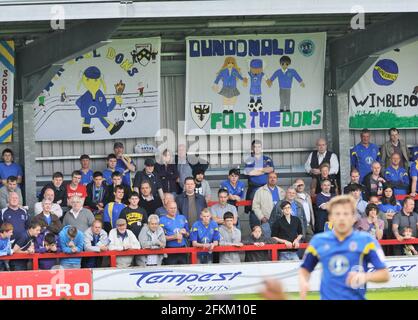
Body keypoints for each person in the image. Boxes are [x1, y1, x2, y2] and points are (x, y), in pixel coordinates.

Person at [299, 195, 390, 300]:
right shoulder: (318, 241)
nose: (342, 218)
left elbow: (385, 274)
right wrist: (304, 282)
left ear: (354, 217)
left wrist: (365, 276)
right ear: (330, 218)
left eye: (346, 214)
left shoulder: (367, 241)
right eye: (337, 214)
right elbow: (304, 269)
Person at [251, 172, 285, 237]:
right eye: (270, 177)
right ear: (267, 179)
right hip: (266, 221)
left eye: (274, 177)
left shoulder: (281, 191)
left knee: (280, 239)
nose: (272, 179)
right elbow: (255, 206)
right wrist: (261, 217)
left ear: (277, 179)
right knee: (267, 240)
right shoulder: (260, 191)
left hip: (280, 221)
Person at [244, 140, 274, 213]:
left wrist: (258, 170)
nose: (257, 148)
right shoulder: (249, 160)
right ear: (252, 148)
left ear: (261, 148)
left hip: (267, 188)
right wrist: (264, 170)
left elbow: (271, 169)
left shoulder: (267, 159)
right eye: (255, 147)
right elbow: (250, 172)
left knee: (268, 208)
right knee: (254, 209)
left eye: (259, 147)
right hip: (254, 188)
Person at [160, 201, 190, 265]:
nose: (173, 210)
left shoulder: (182, 217)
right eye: (171, 208)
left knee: (185, 271)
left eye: (175, 208)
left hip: (183, 248)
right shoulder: (162, 220)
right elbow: (161, 238)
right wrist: (174, 237)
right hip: (170, 249)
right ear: (166, 208)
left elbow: (188, 234)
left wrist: (185, 233)